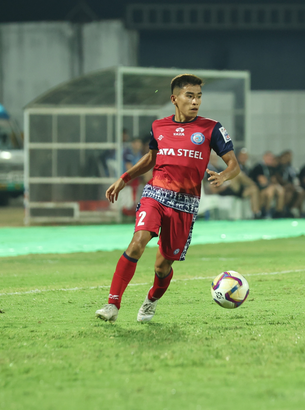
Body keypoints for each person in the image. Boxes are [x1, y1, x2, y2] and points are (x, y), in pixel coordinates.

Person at [96, 74, 239, 323]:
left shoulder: (212, 128)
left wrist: (224, 176)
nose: (195, 102)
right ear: (174, 99)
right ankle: (112, 304)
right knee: (137, 243)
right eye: (189, 96)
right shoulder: (159, 126)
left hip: (185, 205)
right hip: (156, 194)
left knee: (162, 267)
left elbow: (234, 165)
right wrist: (124, 178)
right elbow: (151, 158)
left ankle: (151, 300)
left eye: (199, 96)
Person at [249, 151, 285, 218]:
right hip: (259, 189)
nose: (271, 160)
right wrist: (271, 183)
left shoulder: (272, 168)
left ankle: (279, 211)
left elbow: (274, 180)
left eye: (272, 159)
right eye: (269, 159)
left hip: (270, 187)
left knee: (280, 190)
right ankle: (266, 211)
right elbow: (263, 182)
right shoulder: (259, 167)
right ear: (264, 158)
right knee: (270, 191)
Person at [277, 150, 303, 218]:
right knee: (289, 194)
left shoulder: (290, 167)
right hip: (282, 186)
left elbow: (293, 178)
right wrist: (287, 185)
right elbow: (278, 178)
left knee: (300, 192)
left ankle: (293, 209)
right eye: (286, 157)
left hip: (291, 186)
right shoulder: (278, 167)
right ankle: (283, 210)